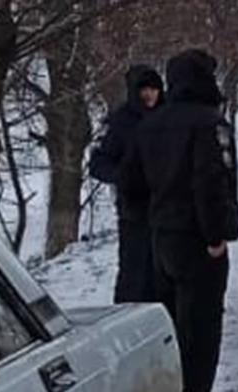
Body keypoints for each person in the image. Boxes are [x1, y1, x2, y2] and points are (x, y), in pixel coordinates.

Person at [120, 49, 238, 392]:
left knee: (169, 336)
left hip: (161, 243)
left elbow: (129, 186)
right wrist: (215, 237)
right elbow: (210, 186)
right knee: (200, 340)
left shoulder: (151, 125)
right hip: (198, 246)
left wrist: (152, 223)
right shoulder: (211, 125)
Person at [89, 64, 165, 303]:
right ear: (134, 91)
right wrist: (125, 175)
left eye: (154, 89)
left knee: (167, 272)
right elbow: (98, 163)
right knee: (135, 275)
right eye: (144, 90)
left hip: (169, 209)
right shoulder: (119, 122)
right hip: (135, 212)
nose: (150, 95)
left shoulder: (170, 116)